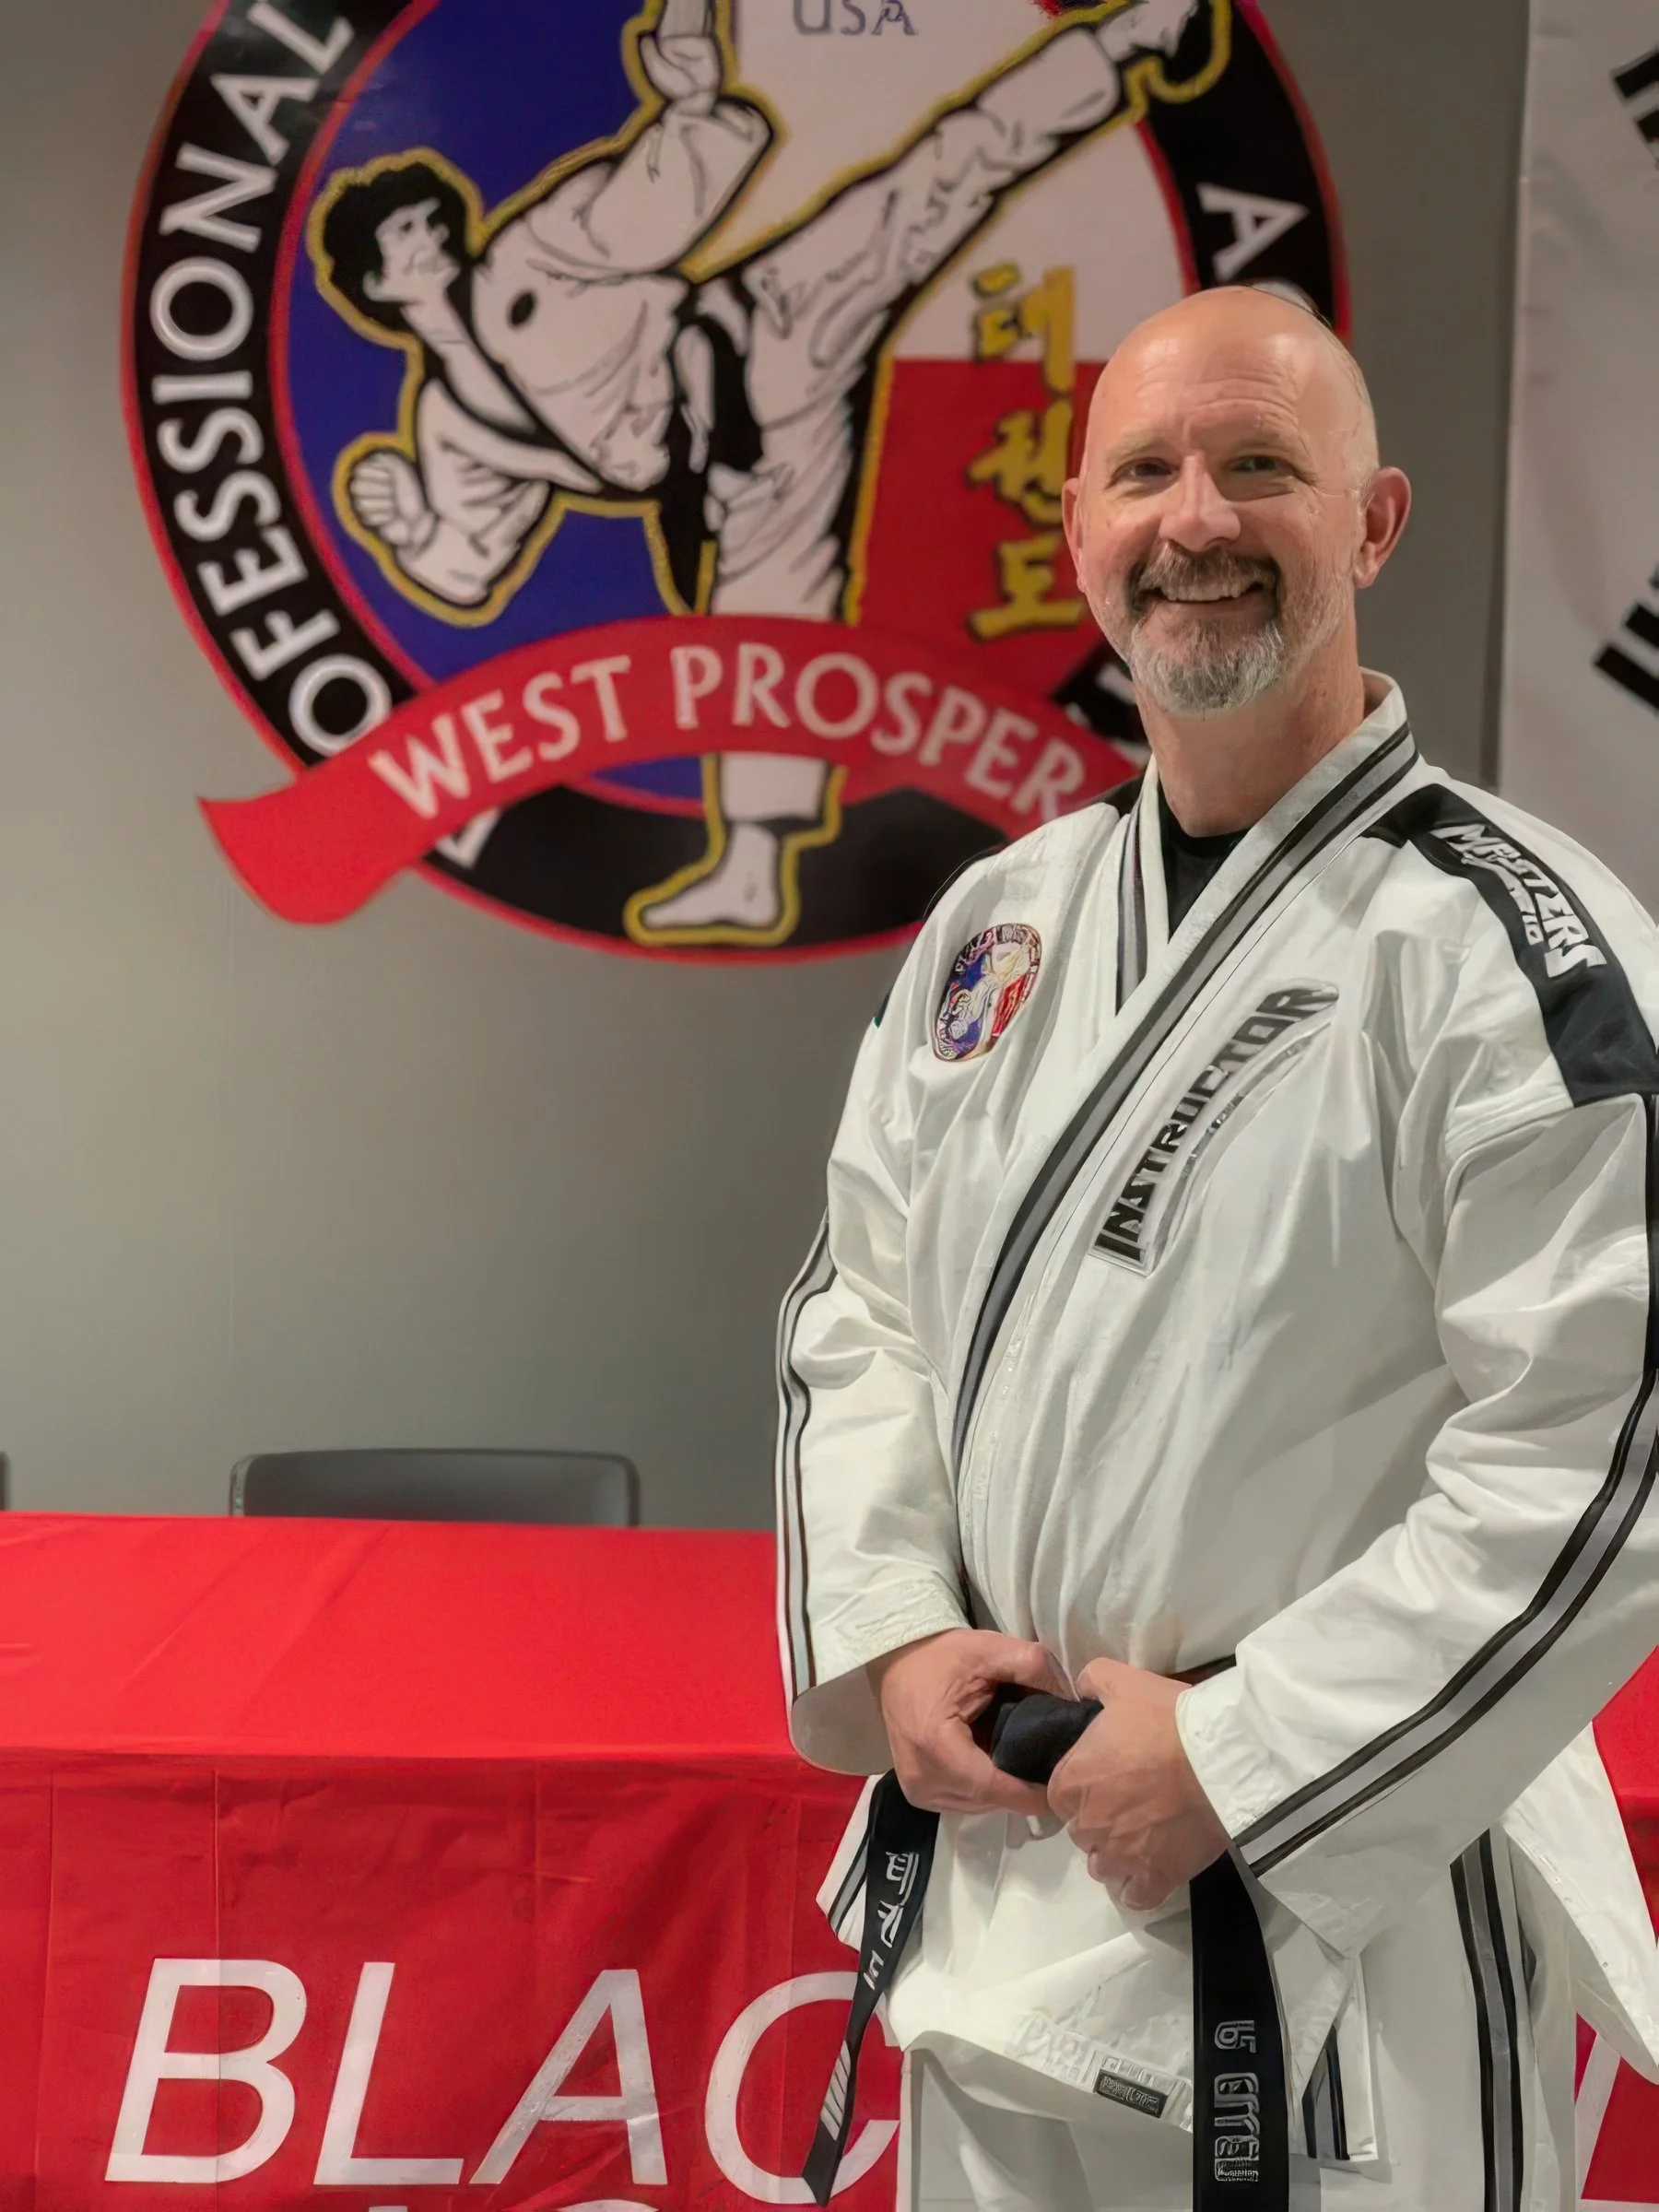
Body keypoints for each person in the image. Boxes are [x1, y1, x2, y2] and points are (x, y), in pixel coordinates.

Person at [775, 284, 1659, 2208]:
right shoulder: (1000, 926)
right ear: (1077, 529)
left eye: (1262, 465)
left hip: (1339, 1902)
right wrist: (900, 1635)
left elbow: (1602, 1452)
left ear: (1373, 522)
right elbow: (862, 1315)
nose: (1196, 521)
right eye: (1145, 474)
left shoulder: (1511, 950)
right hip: (1008, 1875)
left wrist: (1248, 1751)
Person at [312, 0, 1205, 942]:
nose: (421, 240)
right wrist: (408, 529)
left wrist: (693, 104)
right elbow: (469, 565)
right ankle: (750, 870)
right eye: (396, 241)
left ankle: (1121, 42)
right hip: (731, 475)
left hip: (765, 326)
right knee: (769, 625)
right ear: (377, 289)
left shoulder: (532, 253)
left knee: (937, 177)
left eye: (423, 220)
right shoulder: (454, 425)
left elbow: (664, 193)